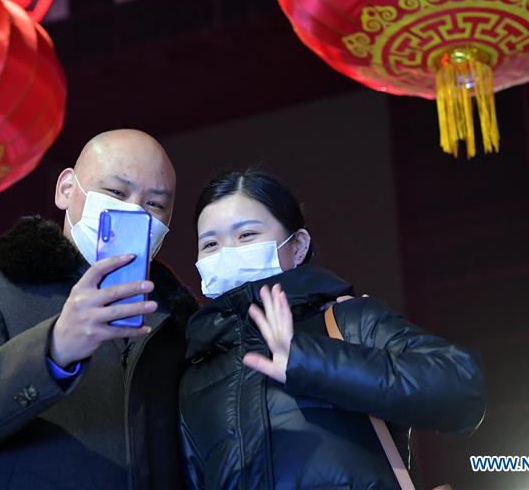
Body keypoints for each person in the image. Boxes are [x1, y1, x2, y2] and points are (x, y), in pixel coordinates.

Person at [0, 129, 199, 490]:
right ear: (66, 189)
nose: (134, 209)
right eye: (116, 192)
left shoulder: (179, 328)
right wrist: (53, 349)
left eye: (155, 204)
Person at [179, 169, 486, 489]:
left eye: (246, 236)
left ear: (297, 246)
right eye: (211, 243)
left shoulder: (349, 320)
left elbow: (463, 390)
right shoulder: (195, 376)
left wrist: (307, 360)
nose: (227, 253)